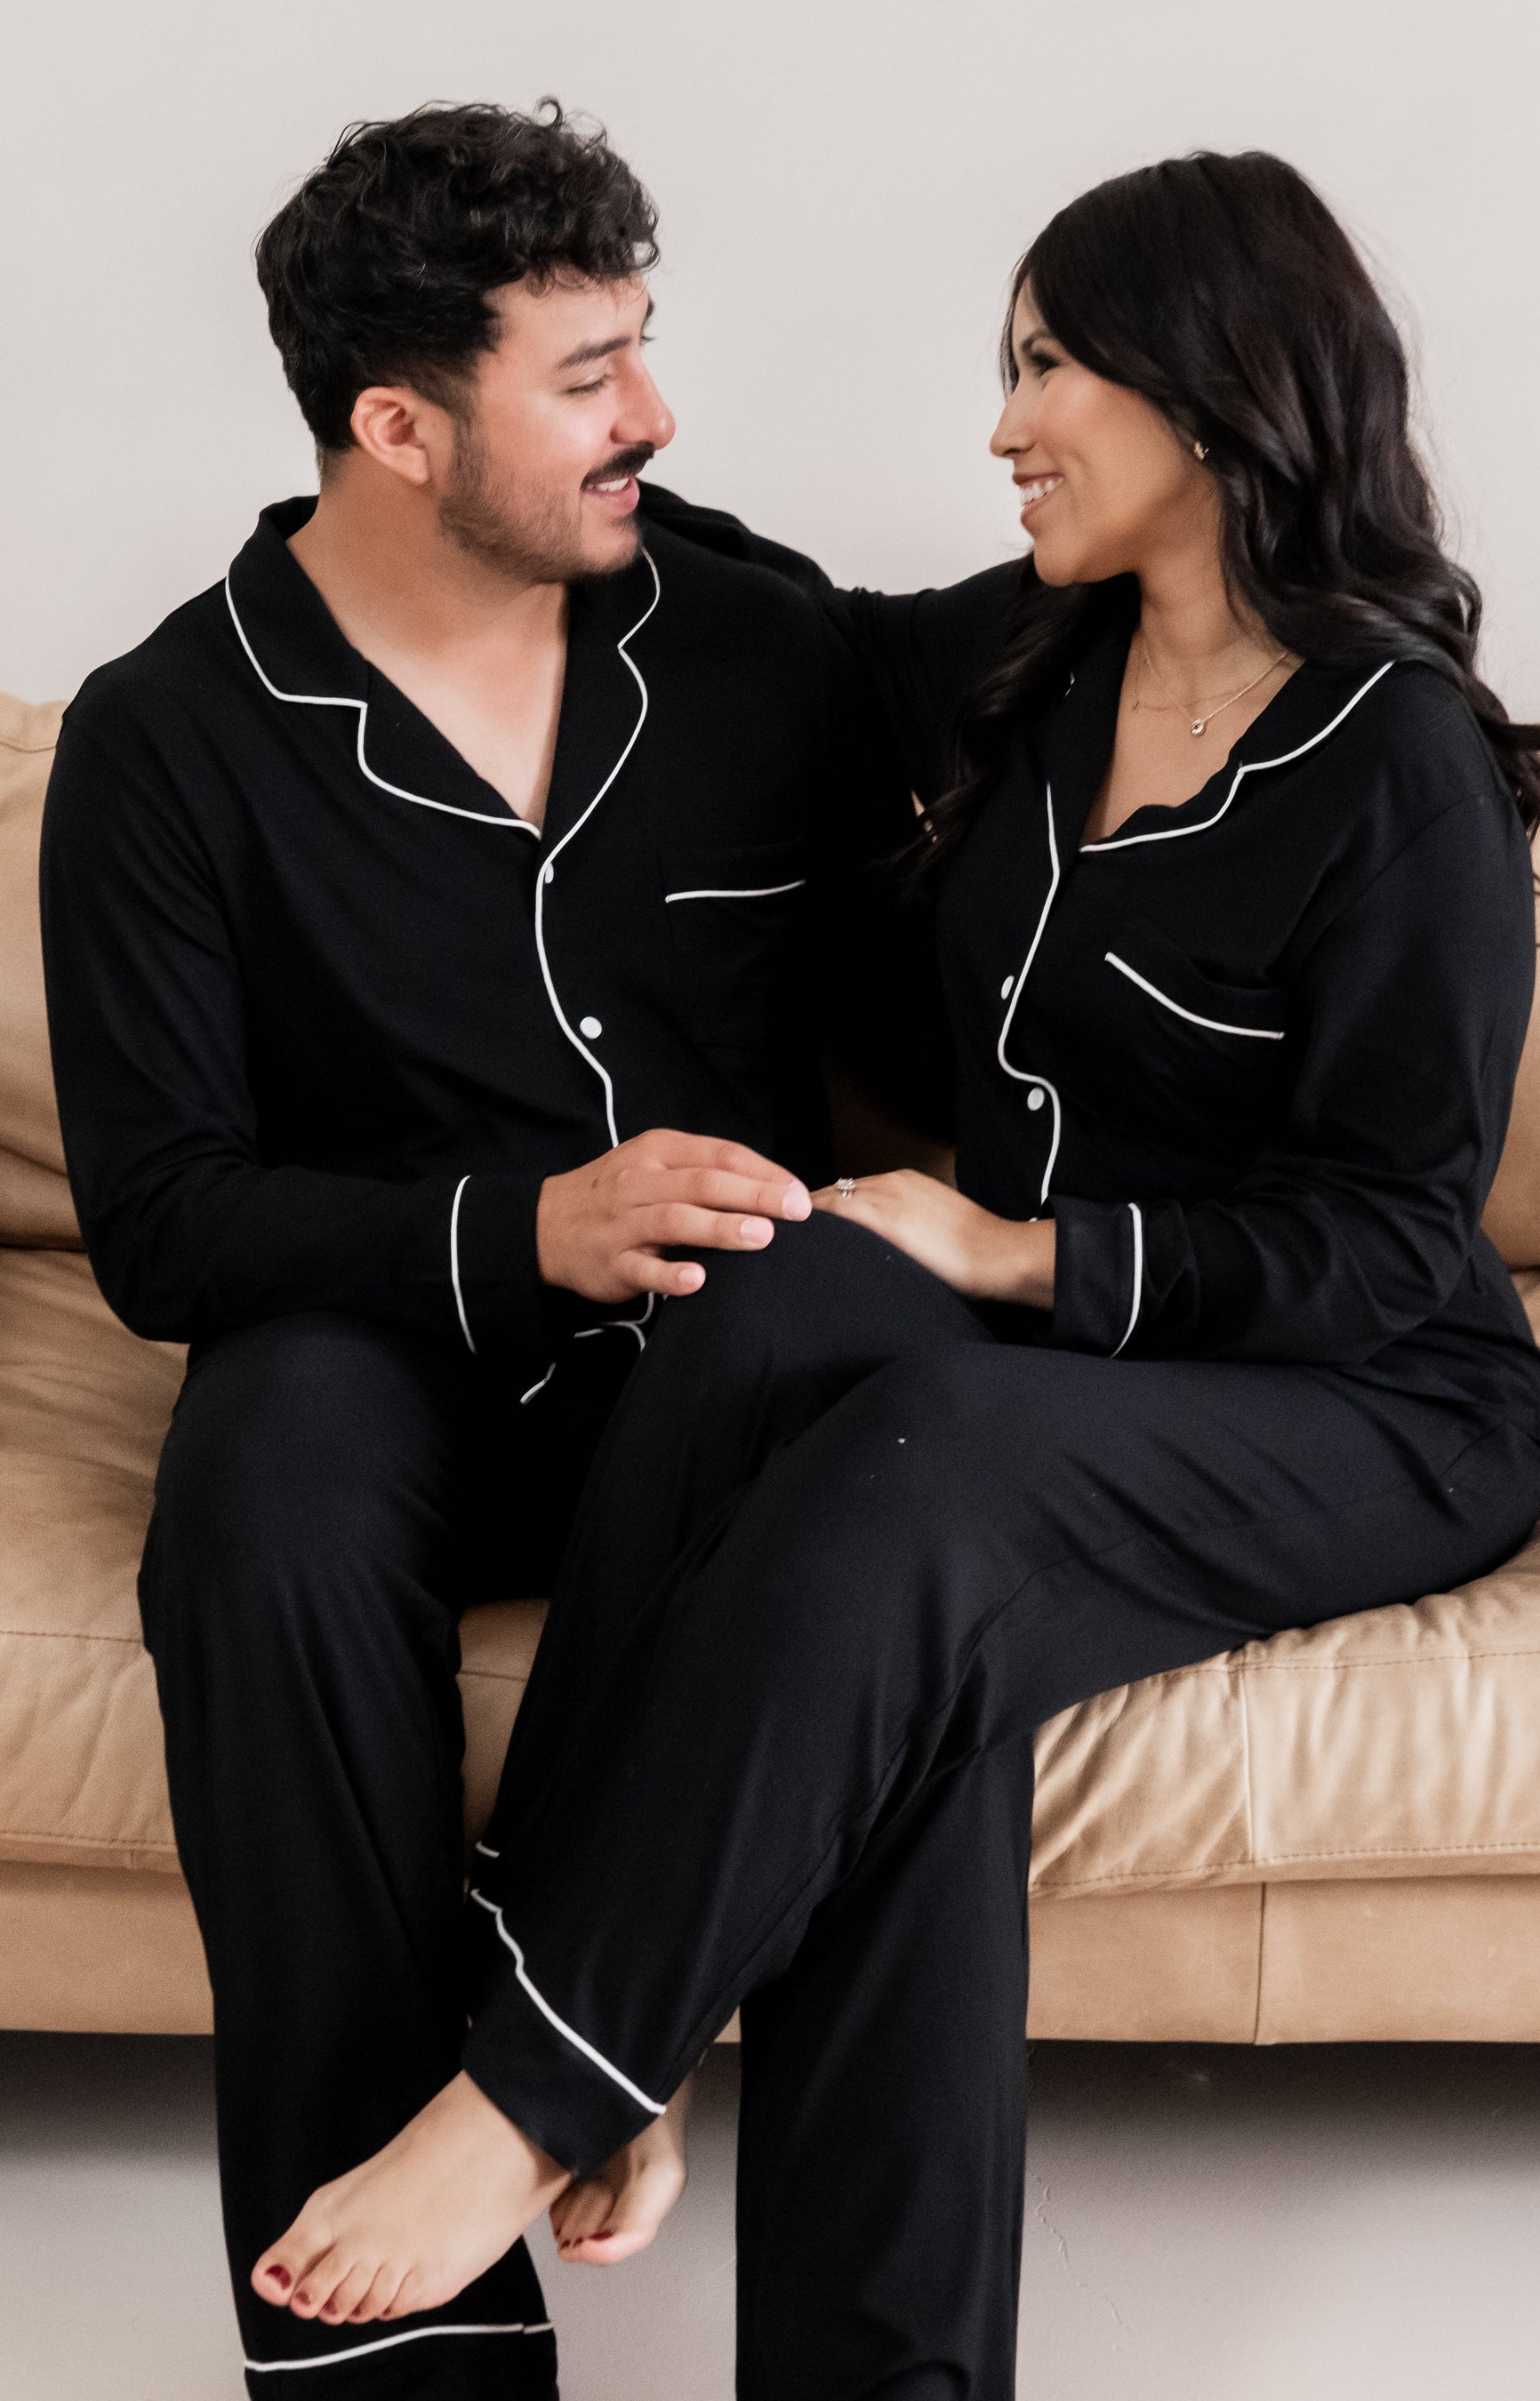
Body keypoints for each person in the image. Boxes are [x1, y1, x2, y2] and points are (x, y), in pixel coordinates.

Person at [242, 149, 1540, 2399]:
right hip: (1044, 1350)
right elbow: (748, 604)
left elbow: (1376, 1242)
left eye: (1047, 365)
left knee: (916, 1475)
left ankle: (533, 2083)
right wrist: (461, 479)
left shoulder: (1404, 774)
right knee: (778, 1300)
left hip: (1367, 1395)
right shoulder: (1039, 656)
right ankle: (634, 2051)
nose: (1003, 424)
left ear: (1211, 386)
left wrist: (999, 1242)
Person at [39, 101, 921, 2397]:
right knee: (262, 1487)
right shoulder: (166, 743)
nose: (655, 412)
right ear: (399, 426)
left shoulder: (760, 644)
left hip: (723, 1367)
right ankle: (400, 2370)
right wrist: (524, 1224)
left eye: (646, 343)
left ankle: (561, 2052)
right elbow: (159, 1218)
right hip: (389, 1352)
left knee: (835, 1387)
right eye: (587, 369)